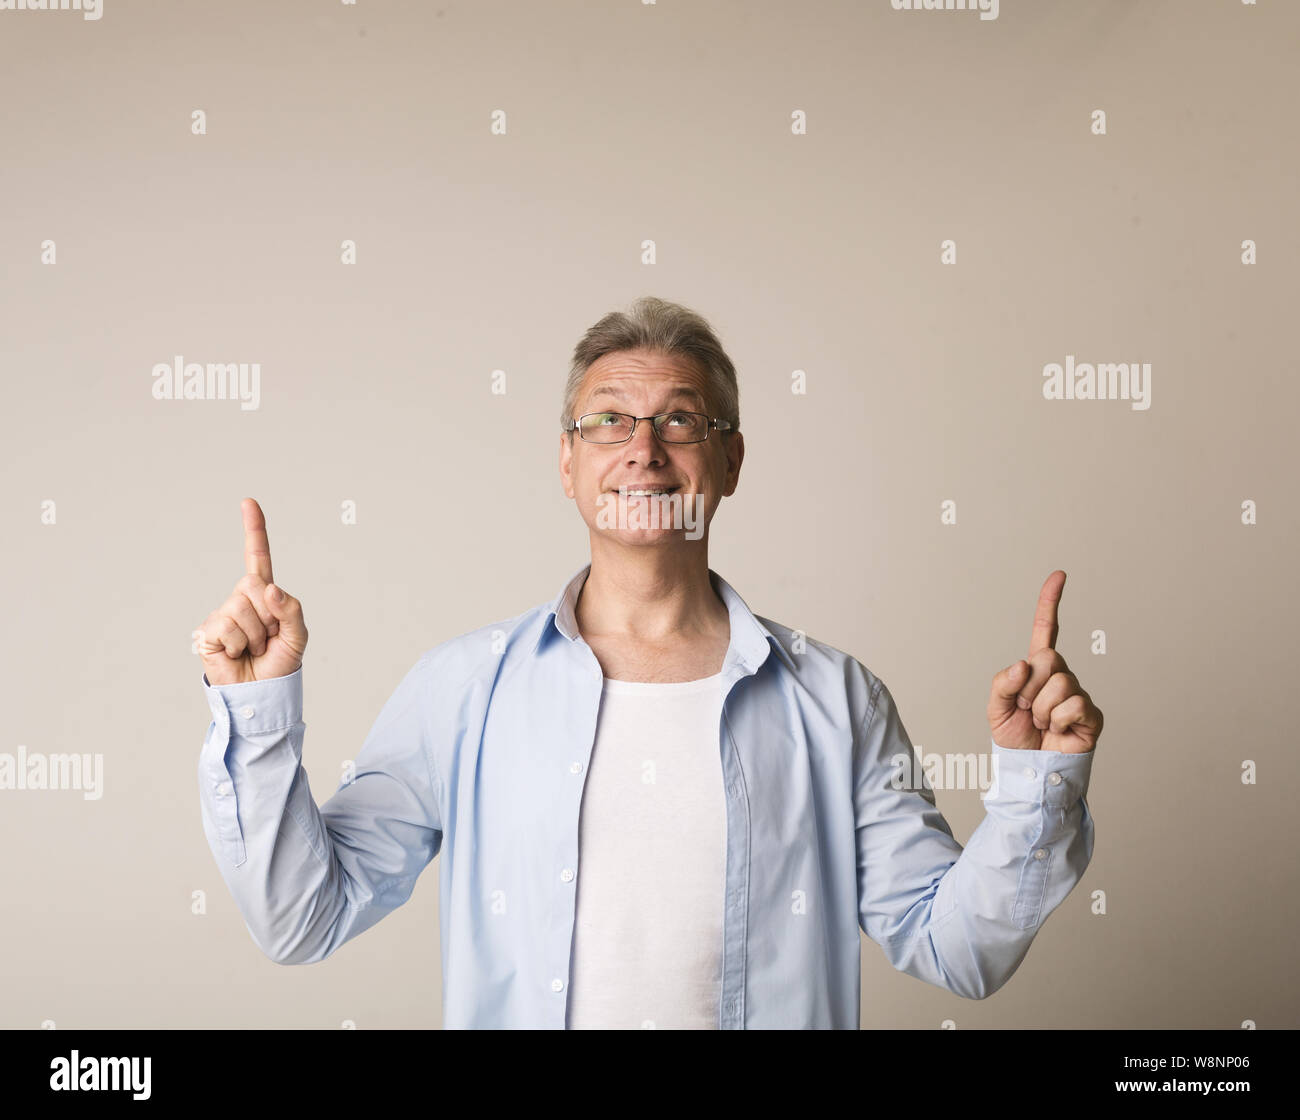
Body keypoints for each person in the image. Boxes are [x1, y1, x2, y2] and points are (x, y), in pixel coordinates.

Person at [194, 296, 1103, 1030]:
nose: (643, 448)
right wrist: (258, 713)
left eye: (680, 419)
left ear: (731, 459)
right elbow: (304, 919)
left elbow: (957, 951)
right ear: (566, 461)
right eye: (609, 421)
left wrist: (1041, 783)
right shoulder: (464, 689)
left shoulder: (836, 698)